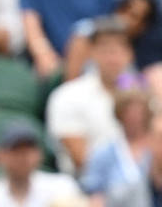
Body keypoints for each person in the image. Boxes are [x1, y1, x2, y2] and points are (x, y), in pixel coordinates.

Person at [47, 16, 134, 177]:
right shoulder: (67, 96)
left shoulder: (142, 93)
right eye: (106, 49)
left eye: (120, 49)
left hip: (136, 187)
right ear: (92, 52)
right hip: (84, 187)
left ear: (130, 54)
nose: (113, 57)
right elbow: (81, 160)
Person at [19, 0, 114, 77]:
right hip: (50, 64)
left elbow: (107, 29)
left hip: (91, 63)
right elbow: (31, 25)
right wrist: (43, 54)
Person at [79, 88, 152, 200]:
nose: (134, 117)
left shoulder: (158, 149)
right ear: (120, 115)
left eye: (139, 112)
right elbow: (93, 190)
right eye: (128, 112)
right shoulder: (103, 152)